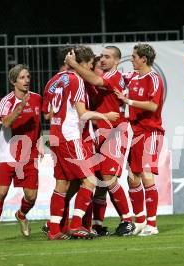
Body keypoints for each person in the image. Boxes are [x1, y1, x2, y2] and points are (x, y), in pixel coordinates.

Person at [44, 46, 119, 240]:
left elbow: (48, 113)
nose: (91, 68)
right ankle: (76, 225)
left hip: (54, 135)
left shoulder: (53, 81)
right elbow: (83, 113)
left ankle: (54, 230)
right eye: (90, 64)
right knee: (90, 180)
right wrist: (106, 115)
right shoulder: (76, 80)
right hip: (70, 136)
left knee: (62, 184)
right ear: (84, 63)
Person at [65, 46, 135, 236]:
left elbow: (94, 79)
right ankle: (96, 224)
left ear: (117, 61)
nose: (103, 60)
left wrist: (72, 64)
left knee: (108, 178)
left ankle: (128, 220)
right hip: (97, 131)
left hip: (114, 131)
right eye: (101, 56)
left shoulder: (113, 76)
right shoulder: (95, 78)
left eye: (107, 57)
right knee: (97, 180)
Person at [0, 64, 42, 243]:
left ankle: (21, 214)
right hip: (8, 155)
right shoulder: (7, 101)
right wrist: (18, 109)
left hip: (29, 154)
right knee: (1, 192)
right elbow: (6, 123)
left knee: (31, 197)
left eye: (28, 77)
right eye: (22, 77)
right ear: (13, 81)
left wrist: (40, 141)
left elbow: (38, 123)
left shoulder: (37, 98)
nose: (26, 80)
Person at [114, 43, 165, 236]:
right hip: (136, 134)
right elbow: (114, 81)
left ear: (144, 59)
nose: (132, 59)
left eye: (135, 57)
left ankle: (152, 225)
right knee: (132, 178)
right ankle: (141, 221)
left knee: (145, 174)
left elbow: (153, 106)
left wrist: (128, 101)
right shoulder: (133, 77)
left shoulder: (154, 79)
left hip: (152, 132)